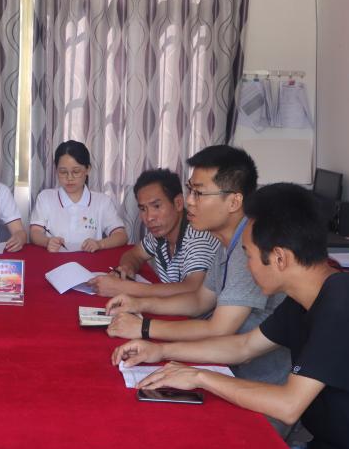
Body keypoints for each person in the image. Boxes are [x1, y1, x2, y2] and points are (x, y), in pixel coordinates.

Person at [115, 183, 349, 449]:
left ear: (280, 258)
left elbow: (288, 406)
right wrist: (160, 350)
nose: (246, 266)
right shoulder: (308, 297)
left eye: (248, 255)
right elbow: (243, 347)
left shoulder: (340, 308)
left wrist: (200, 377)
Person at [106, 146, 290, 388]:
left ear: (234, 201)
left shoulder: (250, 249)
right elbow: (199, 300)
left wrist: (144, 327)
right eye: (190, 190)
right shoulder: (226, 242)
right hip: (223, 366)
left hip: (255, 382)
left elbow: (219, 329)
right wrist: (140, 305)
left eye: (199, 193)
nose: (189, 202)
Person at [88, 169, 218, 298]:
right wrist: (127, 268)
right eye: (143, 209)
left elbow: (193, 289)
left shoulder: (198, 236)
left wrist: (126, 288)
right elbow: (134, 254)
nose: (149, 217)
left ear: (178, 203)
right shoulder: (161, 234)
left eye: (156, 206)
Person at [29, 140, 128, 253]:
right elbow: (35, 232)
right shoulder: (45, 198)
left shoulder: (102, 201)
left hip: (90, 261)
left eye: (76, 172)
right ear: (56, 170)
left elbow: (121, 235)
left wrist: (100, 244)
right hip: (54, 259)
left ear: (87, 169)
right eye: (63, 172)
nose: (69, 178)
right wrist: (47, 241)